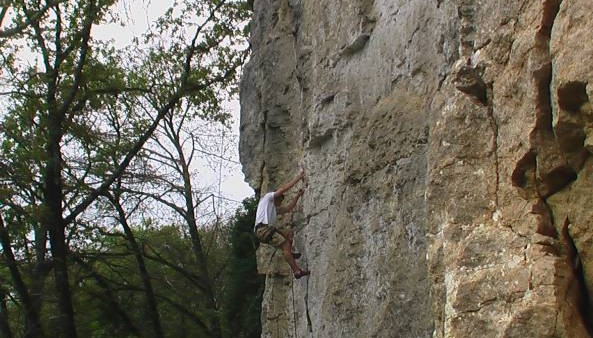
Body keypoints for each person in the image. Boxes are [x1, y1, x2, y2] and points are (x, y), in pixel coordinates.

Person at [254, 167, 310, 279]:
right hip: (263, 229)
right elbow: (284, 188)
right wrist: (298, 177)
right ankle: (297, 271)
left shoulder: (274, 208)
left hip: (265, 230)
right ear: (276, 198)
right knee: (285, 245)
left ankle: (289, 253)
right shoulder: (268, 198)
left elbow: (289, 208)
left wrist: (298, 196)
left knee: (288, 234)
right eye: (280, 201)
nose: (281, 203)